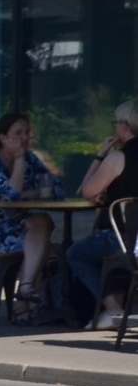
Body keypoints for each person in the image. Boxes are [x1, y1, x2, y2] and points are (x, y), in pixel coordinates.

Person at [0, 111, 59, 326]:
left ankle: (24, 291)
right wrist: (18, 159)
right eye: (17, 133)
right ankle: (23, 299)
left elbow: (55, 187)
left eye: (26, 132)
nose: (24, 138)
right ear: (3, 138)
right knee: (41, 236)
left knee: (43, 221)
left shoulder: (31, 158)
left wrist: (32, 192)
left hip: (17, 224)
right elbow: (12, 194)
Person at [65, 103, 137, 329]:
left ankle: (113, 309)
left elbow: (86, 191)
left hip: (124, 238)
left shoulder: (119, 158)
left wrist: (100, 155)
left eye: (115, 123)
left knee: (76, 253)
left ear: (124, 127)